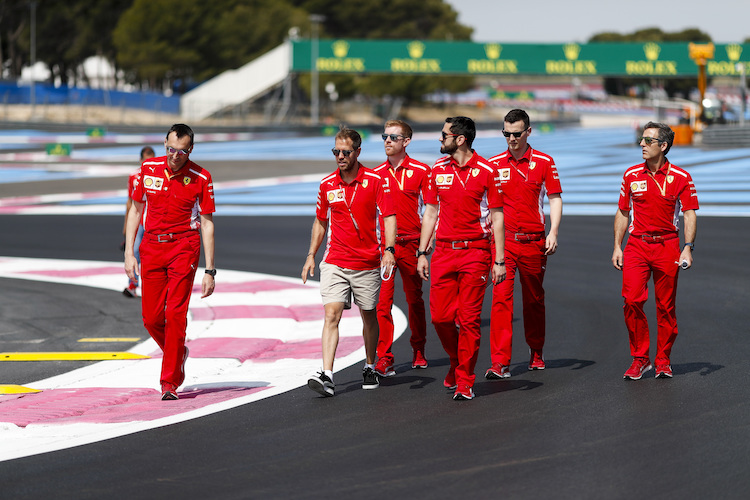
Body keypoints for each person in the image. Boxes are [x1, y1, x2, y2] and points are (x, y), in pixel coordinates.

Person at [416, 116, 506, 401]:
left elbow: (497, 216)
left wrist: (499, 260)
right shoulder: (436, 169)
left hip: (476, 253)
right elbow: (430, 212)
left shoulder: (487, 170)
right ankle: (455, 361)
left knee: (468, 320)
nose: (440, 139)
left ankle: (466, 379)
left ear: (460, 139)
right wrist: (422, 252)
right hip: (442, 251)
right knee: (441, 318)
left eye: (444, 135)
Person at [124, 124, 216, 400]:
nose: (175, 156)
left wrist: (210, 270)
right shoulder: (147, 169)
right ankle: (178, 353)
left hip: (184, 247)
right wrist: (129, 252)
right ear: (165, 143)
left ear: (191, 149)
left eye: (182, 151)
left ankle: (169, 382)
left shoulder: (202, 177)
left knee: (175, 314)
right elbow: (135, 210)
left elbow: (208, 224)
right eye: (171, 149)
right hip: (151, 246)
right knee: (151, 318)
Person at [302, 127, 396, 397]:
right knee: (331, 314)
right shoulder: (327, 184)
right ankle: (327, 374)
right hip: (335, 261)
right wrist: (311, 255)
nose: (340, 157)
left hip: (367, 263)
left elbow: (389, 216)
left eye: (345, 152)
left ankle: (369, 365)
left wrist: (388, 249)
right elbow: (321, 222)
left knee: (368, 315)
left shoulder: (376, 180)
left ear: (357, 152)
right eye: (336, 152)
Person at [612, 122, 698, 380]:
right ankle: (640, 358)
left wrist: (687, 247)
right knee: (631, 300)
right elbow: (623, 212)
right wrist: (617, 245)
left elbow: (689, 214)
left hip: (667, 245)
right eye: (642, 139)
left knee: (666, 307)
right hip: (637, 245)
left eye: (648, 141)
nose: (642, 144)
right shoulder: (630, 175)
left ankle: (662, 359)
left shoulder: (681, 177)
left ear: (663, 146)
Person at [485, 109, 563, 378]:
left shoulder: (544, 162)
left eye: (516, 134)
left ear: (528, 132)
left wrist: (553, 231)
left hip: (533, 242)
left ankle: (536, 350)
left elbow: (554, 198)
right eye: (506, 133)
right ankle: (500, 362)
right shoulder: (493, 164)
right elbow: (486, 205)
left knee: (533, 300)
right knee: (500, 301)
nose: (511, 139)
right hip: (503, 244)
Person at [372, 120, 431, 377]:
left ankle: (419, 349)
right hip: (386, 248)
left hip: (412, 245)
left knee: (414, 299)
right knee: (382, 304)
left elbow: (431, 211)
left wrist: (424, 251)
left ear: (406, 141)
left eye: (393, 137)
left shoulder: (421, 171)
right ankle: (384, 357)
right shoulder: (374, 175)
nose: (387, 141)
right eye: (385, 136)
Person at [122, 146, 155, 298]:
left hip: (155, 221)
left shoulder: (162, 175)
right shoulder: (134, 176)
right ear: (141, 160)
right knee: (134, 251)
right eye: (146, 160)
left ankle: (154, 286)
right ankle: (133, 284)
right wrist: (125, 227)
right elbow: (130, 202)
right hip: (140, 220)